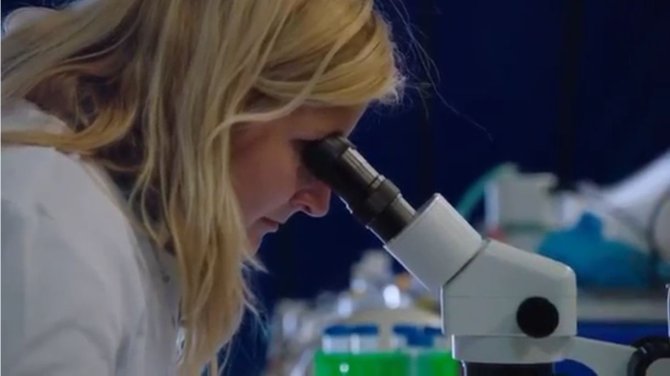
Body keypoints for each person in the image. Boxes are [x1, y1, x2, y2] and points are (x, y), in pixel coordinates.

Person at [0, 0, 404, 375]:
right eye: (315, 153)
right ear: (217, 97)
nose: (318, 201)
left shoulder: (118, 230)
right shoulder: (53, 235)